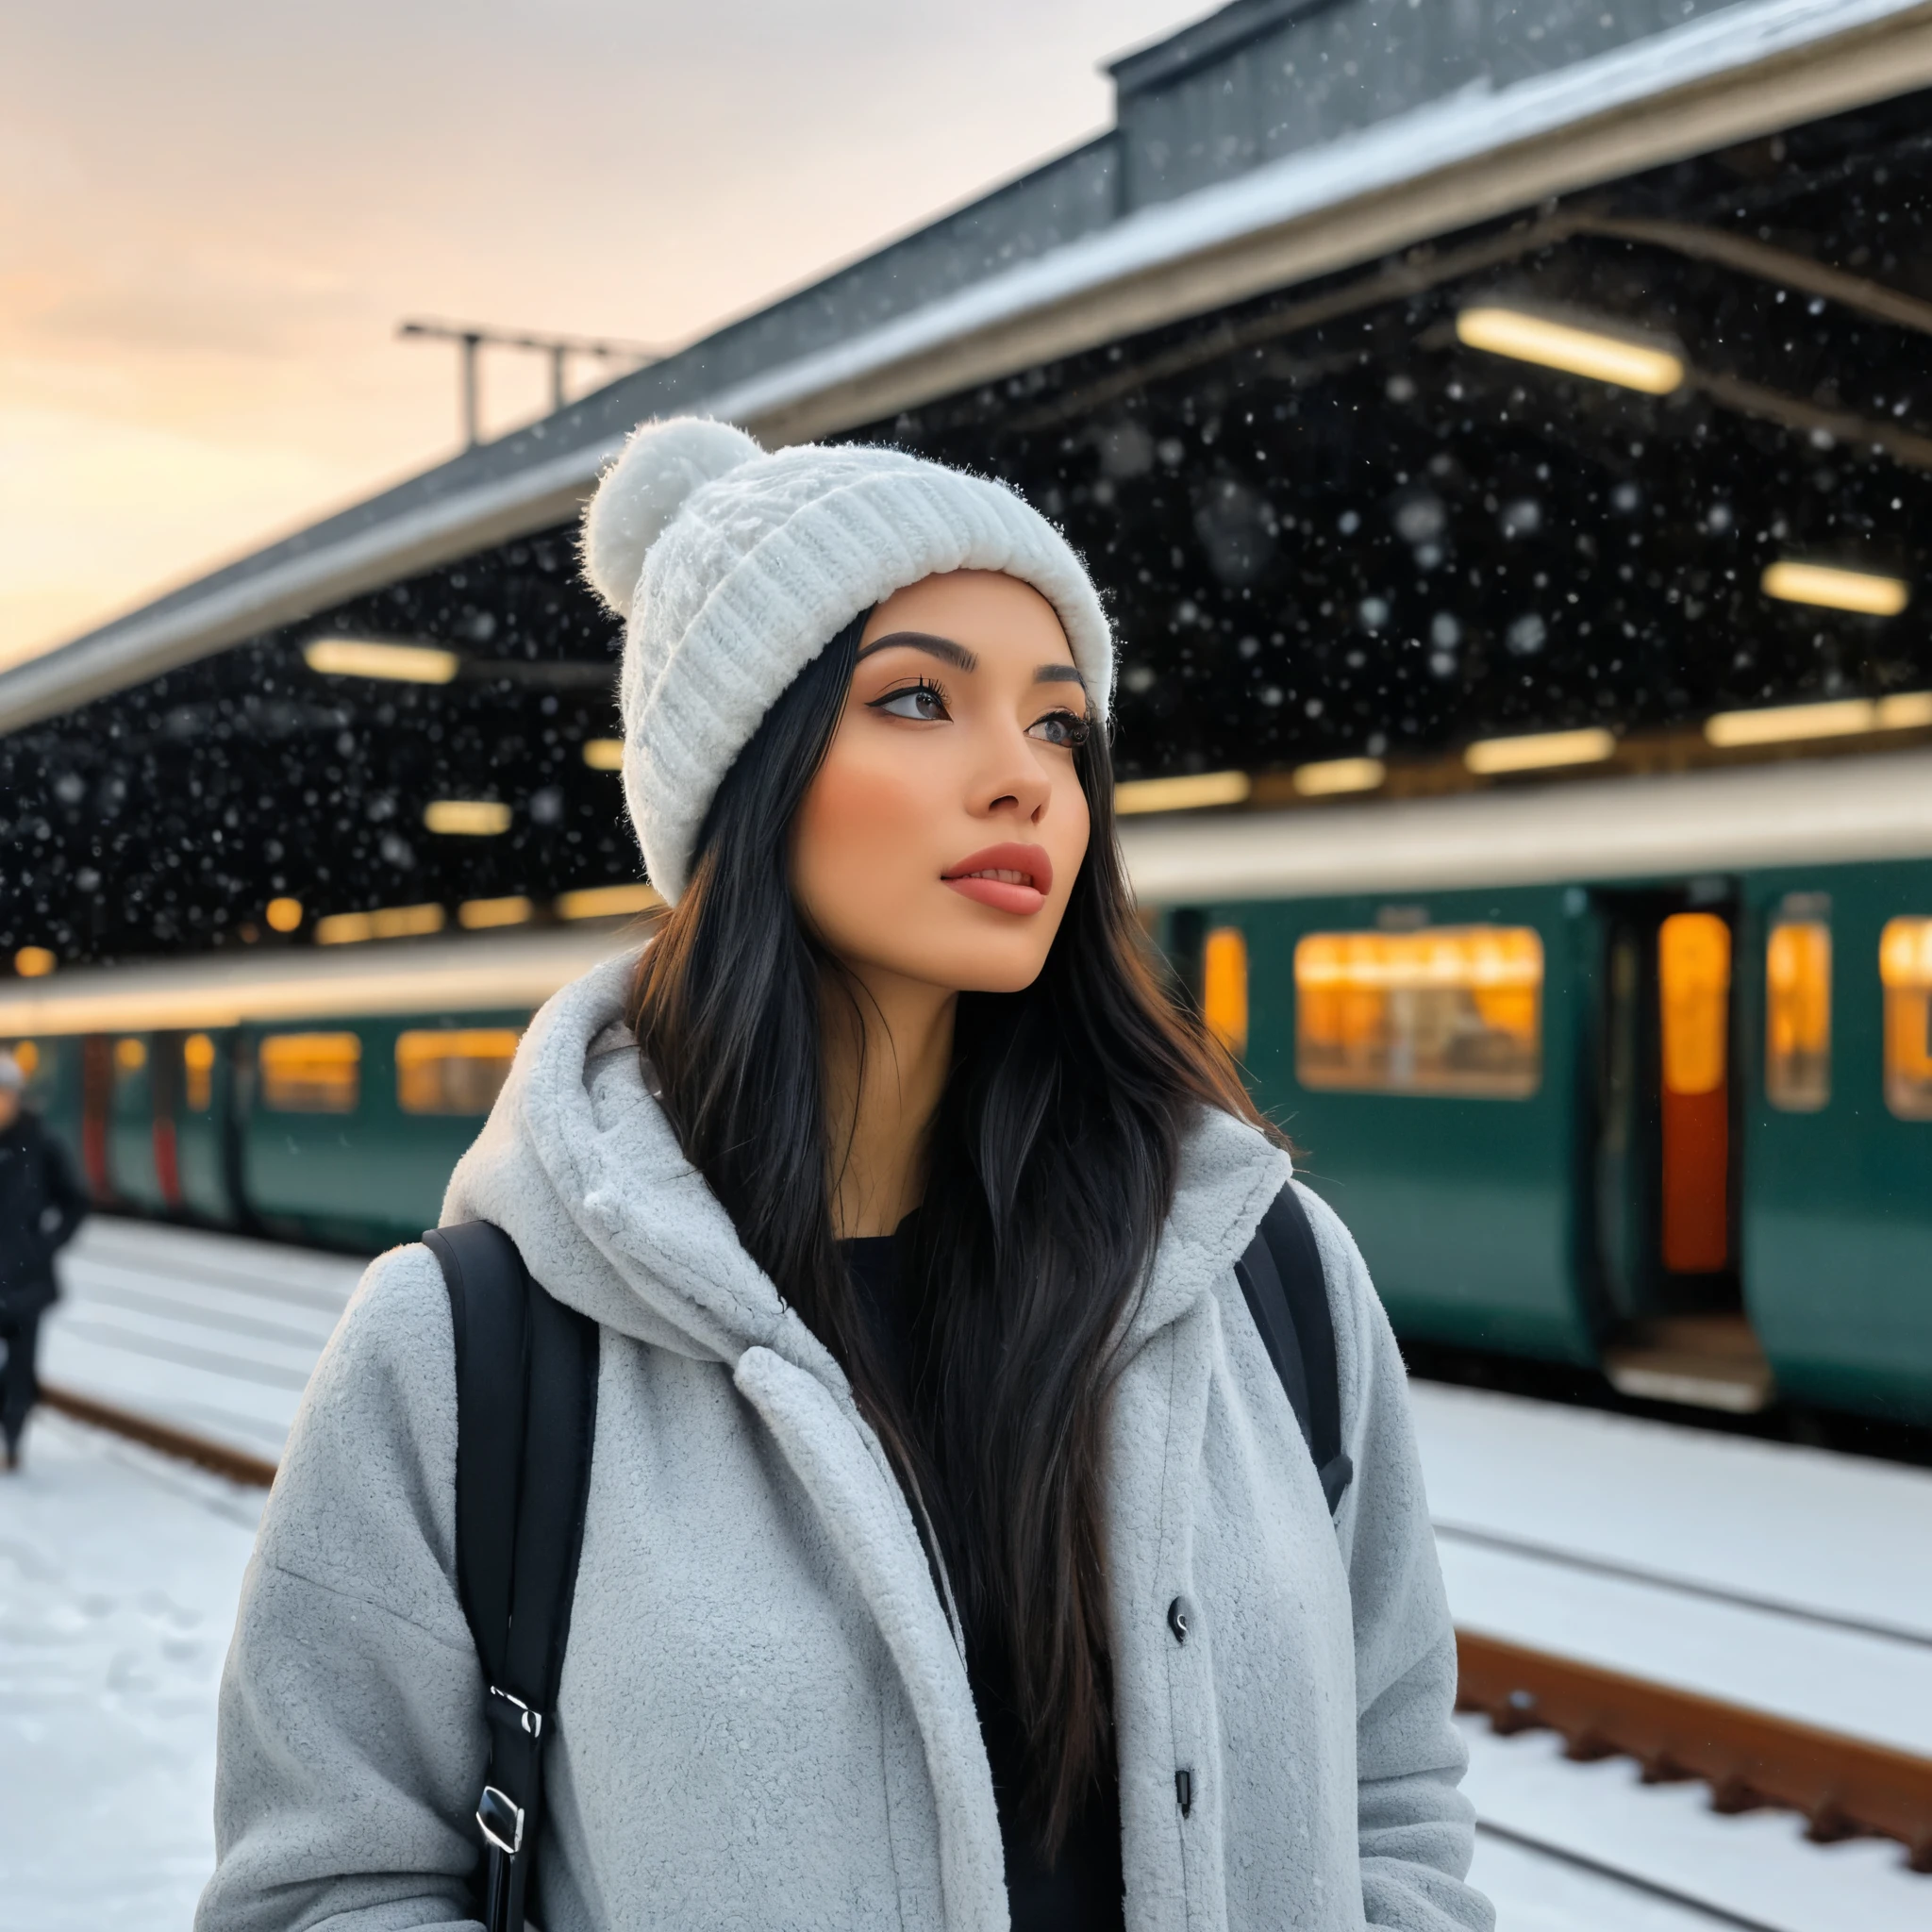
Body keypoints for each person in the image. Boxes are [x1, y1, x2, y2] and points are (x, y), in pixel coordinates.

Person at [199, 420, 1491, 1932]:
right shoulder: (466, 1350)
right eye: (922, 699)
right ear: (749, 766)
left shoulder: (1269, 1277)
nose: (1023, 780)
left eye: (1061, 726)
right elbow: (324, 1892)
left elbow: (1395, 1794)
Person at [0, 1049, 88, 1470]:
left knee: (20, 1370)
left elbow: (74, 1201)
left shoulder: (42, 1142)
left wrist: (45, 1244)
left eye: (5, 1094)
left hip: (26, 1282)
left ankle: (12, 1442)